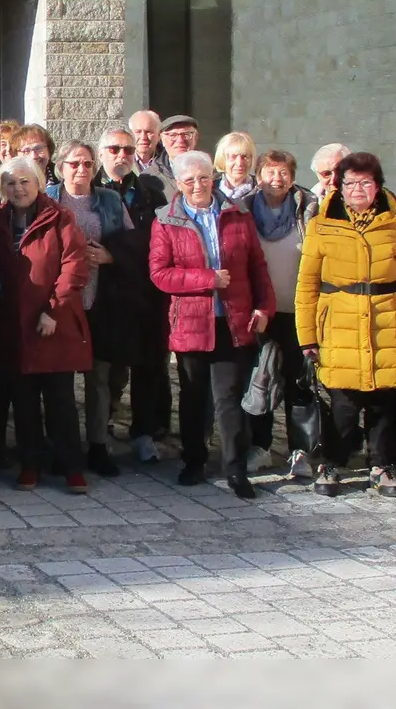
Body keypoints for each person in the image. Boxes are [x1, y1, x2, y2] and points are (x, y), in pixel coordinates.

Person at [296, 152, 396, 499]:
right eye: (350, 182)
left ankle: (382, 465)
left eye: (365, 182)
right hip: (338, 322)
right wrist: (307, 336)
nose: (357, 189)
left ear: (378, 185)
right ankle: (332, 462)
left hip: (387, 322)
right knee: (343, 403)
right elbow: (306, 285)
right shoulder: (321, 226)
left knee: (386, 401)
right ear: (338, 187)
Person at [149, 150, 274, 496]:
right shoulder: (166, 220)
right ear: (178, 183)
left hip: (232, 319)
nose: (198, 185)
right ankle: (193, 461)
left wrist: (265, 307)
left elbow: (257, 266)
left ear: (213, 178)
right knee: (193, 396)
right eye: (189, 180)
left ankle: (235, 469)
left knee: (229, 397)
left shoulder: (237, 215)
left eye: (204, 178)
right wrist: (207, 279)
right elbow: (160, 275)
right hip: (191, 323)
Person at [0, 156, 93, 494]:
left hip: (52, 323)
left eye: (24, 181)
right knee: (24, 400)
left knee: (61, 400)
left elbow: (74, 267)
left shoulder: (60, 217)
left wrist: (53, 311)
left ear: (38, 183)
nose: (18, 189)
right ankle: (30, 464)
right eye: (10, 183)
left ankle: (72, 468)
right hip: (12, 326)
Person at [49, 139, 133, 477]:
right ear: (60, 168)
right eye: (73, 164)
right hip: (62, 301)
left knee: (99, 379)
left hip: (101, 301)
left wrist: (112, 256)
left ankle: (98, 445)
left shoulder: (110, 200)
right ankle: (62, 447)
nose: (81, 170)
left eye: (86, 164)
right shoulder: (48, 199)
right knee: (59, 381)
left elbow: (133, 242)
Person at [92, 126, 172, 462]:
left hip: (143, 290)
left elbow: (156, 239)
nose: (121, 156)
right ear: (101, 154)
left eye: (127, 150)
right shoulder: (90, 190)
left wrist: (115, 253)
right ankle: (100, 430)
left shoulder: (150, 193)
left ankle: (144, 431)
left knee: (148, 367)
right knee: (103, 368)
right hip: (103, 294)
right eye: (113, 150)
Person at [246, 149, 320, 479]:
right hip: (262, 309)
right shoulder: (245, 208)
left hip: (299, 310)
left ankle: (301, 451)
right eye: (270, 172)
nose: (277, 179)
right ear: (258, 175)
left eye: (283, 172)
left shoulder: (308, 207)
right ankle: (259, 447)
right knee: (260, 378)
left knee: (300, 381)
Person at [151, 115, 199, 199]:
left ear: (196, 137)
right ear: (161, 139)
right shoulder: (150, 177)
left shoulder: (211, 173)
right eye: (172, 135)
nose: (180, 140)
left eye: (186, 134)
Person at [213, 132, 257, 210]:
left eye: (245, 156)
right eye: (233, 157)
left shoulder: (260, 190)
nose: (239, 163)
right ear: (222, 159)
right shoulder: (210, 188)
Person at [128, 110, 165, 177]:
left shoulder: (168, 161)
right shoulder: (122, 159)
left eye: (148, 132)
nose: (143, 137)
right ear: (130, 134)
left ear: (159, 135)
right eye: (138, 132)